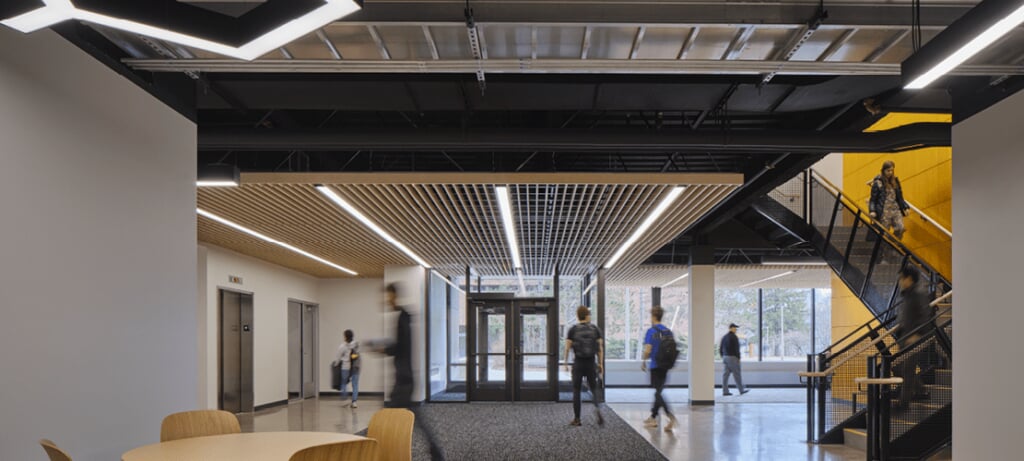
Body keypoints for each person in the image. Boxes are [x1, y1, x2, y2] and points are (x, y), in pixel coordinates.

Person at [895, 266, 933, 410]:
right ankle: (922, 390)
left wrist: (917, 334)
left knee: (907, 370)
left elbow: (925, 316)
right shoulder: (907, 295)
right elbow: (904, 317)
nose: (900, 281)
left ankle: (903, 404)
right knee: (898, 368)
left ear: (909, 279)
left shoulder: (918, 294)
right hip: (905, 339)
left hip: (915, 339)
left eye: (901, 278)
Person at [563, 305, 604, 427]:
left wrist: (565, 362)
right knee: (594, 388)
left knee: (576, 391)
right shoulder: (595, 329)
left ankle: (577, 419)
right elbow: (600, 349)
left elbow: (567, 347)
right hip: (591, 362)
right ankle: (597, 408)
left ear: (578, 316)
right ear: (587, 316)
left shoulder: (573, 330)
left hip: (578, 362)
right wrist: (600, 363)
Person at [641, 306, 677, 431]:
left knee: (657, 392)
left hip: (655, 365)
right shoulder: (668, 331)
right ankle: (653, 417)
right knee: (658, 391)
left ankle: (670, 416)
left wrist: (643, 361)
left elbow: (648, 349)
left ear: (653, 316)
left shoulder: (651, 331)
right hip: (666, 366)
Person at [869, 160, 910, 240]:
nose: (890, 172)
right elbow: (873, 199)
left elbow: (900, 197)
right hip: (884, 211)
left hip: (896, 209)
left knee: (900, 228)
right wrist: (872, 210)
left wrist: (905, 207)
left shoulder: (895, 181)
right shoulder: (878, 182)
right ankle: (885, 248)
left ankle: (893, 244)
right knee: (884, 233)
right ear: (883, 170)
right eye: (888, 170)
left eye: (892, 170)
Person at [719, 323, 749, 396]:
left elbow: (720, 348)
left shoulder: (724, 337)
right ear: (731, 328)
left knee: (725, 375)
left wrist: (722, 356)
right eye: (735, 328)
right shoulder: (734, 337)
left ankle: (725, 391)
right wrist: (738, 357)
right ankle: (741, 390)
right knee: (737, 374)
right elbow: (736, 348)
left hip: (725, 357)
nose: (736, 329)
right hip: (732, 357)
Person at [333, 329, 360, 408]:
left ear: (345, 337)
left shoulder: (342, 346)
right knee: (355, 385)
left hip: (345, 367)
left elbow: (338, 358)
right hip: (355, 367)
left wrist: (336, 364)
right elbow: (358, 355)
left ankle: (344, 398)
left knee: (344, 383)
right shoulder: (356, 344)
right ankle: (354, 402)